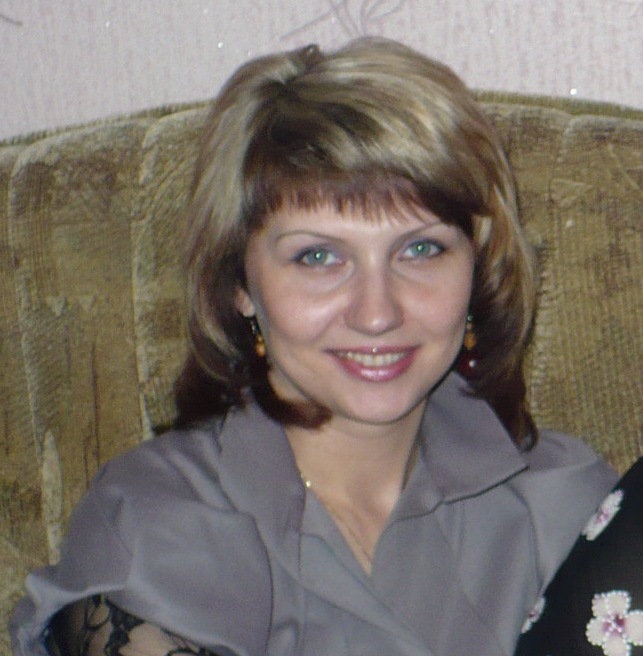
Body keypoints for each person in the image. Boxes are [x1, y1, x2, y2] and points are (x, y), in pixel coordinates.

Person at [10, 37, 617, 656]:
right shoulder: (155, 515)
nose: (377, 313)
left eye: (421, 249)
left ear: (478, 267)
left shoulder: (566, 503)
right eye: (318, 257)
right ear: (239, 283)